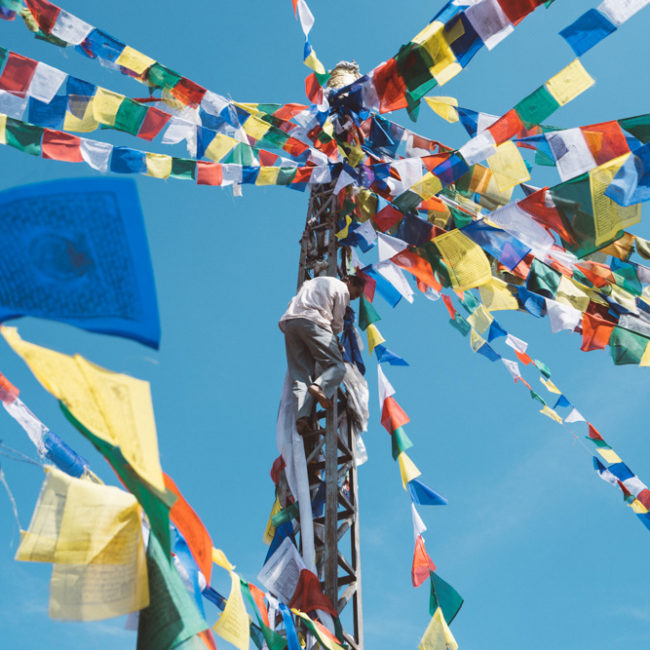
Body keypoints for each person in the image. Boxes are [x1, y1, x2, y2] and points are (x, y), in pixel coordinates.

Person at [280, 274, 365, 435]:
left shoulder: (311, 283)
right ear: (350, 282)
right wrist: (336, 344)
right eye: (356, 293)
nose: (353, 298)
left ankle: (302, 419)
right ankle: (320, 386)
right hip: (314, 322)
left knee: (301, 375)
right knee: (337, 366)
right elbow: (337, 324)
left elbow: (293, 301)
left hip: (291, 324)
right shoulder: (341, 288)